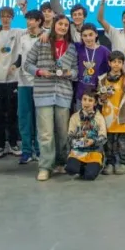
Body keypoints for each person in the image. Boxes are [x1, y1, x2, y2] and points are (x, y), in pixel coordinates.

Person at [24, 15, 77, 181]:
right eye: (60, 24)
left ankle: (61, 162)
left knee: (63, 133)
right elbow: (27, 64)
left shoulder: (72, 47)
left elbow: (76, 71)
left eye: (66, 25)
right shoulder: (41, 42)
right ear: (54, 25)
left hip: (63, 93)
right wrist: (40, 72)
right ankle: (45, 166)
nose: (63, 27)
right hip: (43, 93)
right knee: (46, 133)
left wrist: (69, 73)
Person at [13, 9, 45, 164]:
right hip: (23, 82)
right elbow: (20, 57)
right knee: (24, 117)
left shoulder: (46, 36)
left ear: (39, 21)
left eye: (31, 19)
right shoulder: (23, 37)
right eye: (27, 19)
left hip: (41, 83)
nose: (28, 22)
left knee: (40, 118)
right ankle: (26, 151)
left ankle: (39, 150)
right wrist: (14, 66)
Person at [0, 6, 21, 159]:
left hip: (13, 80)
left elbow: (35, 29)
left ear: (12, 18)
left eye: (8, 16)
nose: (5, 19)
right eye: (3, 16)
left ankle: (13, 143)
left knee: (12, 114)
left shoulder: (17, 32)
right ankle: (1, 144)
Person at [98, 50, 125, 174]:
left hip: (123, 117)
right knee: (109, 143)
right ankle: (110, 163)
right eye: (114, 62)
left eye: (119, 62)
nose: (116, 64)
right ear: (109, 63)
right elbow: (99, 100)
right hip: (108, 118)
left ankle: (123, 163)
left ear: (123, 64)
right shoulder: (102, 80)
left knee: (124, 143)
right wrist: (102, 98)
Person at [65, 90, 108, 180]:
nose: (86, 103)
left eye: (90, 100)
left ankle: (94, 166)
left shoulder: (99, 118)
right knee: (70, 169)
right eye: (84, 99)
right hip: (78, 151)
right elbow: (69, 138)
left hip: (94, 152)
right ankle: (82, 166)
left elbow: (103, 137)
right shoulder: (75, 117)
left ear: (95, 103)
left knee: (90, 176)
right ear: (81, 100)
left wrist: (93, 141)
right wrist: (80, 143)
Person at [75, 22, 110, 103]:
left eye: (90, 35)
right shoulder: (78, 47)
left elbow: (114, 67)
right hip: (81, 94)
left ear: (96, 34)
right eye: (85, 35)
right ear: (81, 36)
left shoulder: (104, 51)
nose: (88, 38)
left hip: (97, 94)